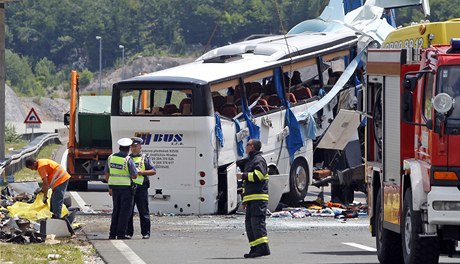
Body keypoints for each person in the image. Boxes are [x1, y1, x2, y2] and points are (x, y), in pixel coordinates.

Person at [236, 139, 270, 258]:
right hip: (251, 199)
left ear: (253, 147)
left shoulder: (258, 160)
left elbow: (259, 176)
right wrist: (245, 199)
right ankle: (255, 248)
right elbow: (247, 185)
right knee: (250, 224)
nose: (245, 146)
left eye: (247, 145)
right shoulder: (251, 160)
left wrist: (243, 175)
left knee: (257, 222)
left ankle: (263, 248)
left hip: (258, 198)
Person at [105, 138, 138, 240]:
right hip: (126, 189)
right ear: (128, 149)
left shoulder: (111, 157)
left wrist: (110, 186)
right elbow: (134, 176)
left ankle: (112, 233)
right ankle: (121, 234)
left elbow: (107, 173)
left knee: (116, 210)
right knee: (125, 212)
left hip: (114, 188)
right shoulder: (128, 159)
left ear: (119, 147)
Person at [127, 137, 156, 239]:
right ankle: (128, 233)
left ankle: (146, 233)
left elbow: (153, 171)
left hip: (141, 188)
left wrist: (141, 172)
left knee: (143, 211)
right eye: (132, 146)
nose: (134, 148)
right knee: (128, 212)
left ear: (140, 147)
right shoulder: (127, 158)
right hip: (129, 188)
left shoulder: (145, 158)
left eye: (136, 146)